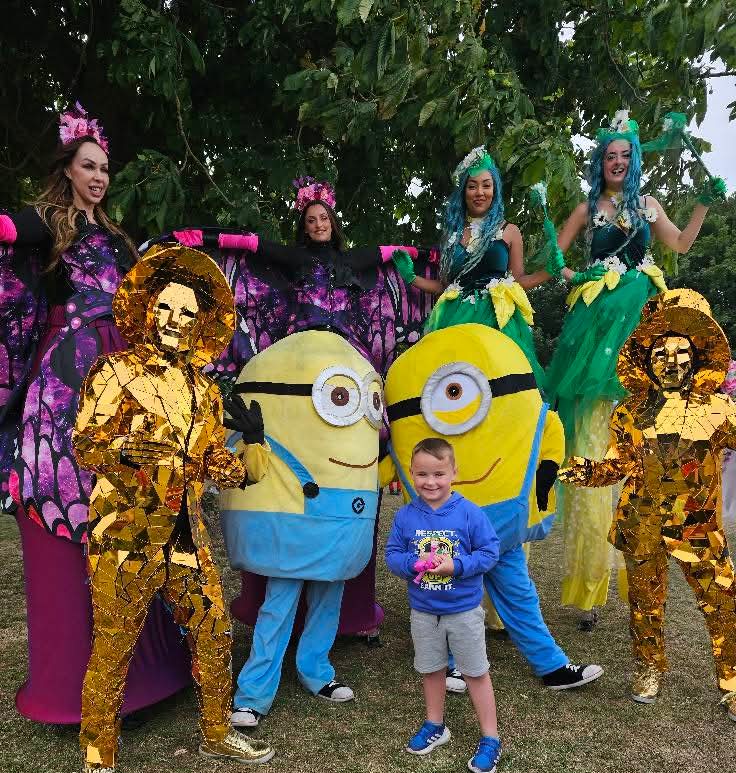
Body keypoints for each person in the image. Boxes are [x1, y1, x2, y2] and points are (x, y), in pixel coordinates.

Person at [173, 178, 434, 643]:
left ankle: (348, 607)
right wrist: (200, 239)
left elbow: (393, 254)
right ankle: (279, 595)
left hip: (349, 364)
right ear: (304, 225)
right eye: (310, 219)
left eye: (323, 218)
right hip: (300, 368)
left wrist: (436, 257)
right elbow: (250, 246)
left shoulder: (354, 260)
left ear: (333, 223)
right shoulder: (294, 259)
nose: (317, 225)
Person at [0, 103, 190, 724]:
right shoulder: (44, 222)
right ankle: (75, 683)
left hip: (123, 378)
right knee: (72, 513)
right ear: (68, 169)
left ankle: (147, 673)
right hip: (67, 385)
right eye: (89, 166)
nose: (100, 177)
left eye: (105, 169)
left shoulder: (115, 237)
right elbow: (7, 234)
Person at [73, 244, 275, 773]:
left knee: (213, 631)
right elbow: (85, 444)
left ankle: (216, 730)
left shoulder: (205, 391)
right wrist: (123, 449)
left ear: (200, 324)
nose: (174, 320)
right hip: (125, 536)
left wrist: (251, 443)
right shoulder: (115, 371)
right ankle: (98, 767)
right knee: (112, 652)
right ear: (146, 308)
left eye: (187, 313)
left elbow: (219, 467)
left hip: (186, 536)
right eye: (165, 307)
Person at [546, 109, 728, 630]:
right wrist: (575, 276)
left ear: (636, 159)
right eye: (610, 155)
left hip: (643, 329)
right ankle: (589, 590)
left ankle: (641, 582)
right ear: (600, 162)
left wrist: (703, 203)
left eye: (626, 155)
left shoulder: (649, 205)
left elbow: (681, 244)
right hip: (596, 334)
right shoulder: (587, 209)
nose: (618, 162)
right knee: (592, 452)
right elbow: (556, 256)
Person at [381, 320, 604, 692]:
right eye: (423, 474)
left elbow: (545, 428)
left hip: (497, 532)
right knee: (449, 600)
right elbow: (386, 469)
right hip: (445, 538)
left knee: (520, 596)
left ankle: (551, 666)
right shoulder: (419, 480)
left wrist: (546, 474)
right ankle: (450, 665)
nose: (430, 480)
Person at [559, 289, 736, 717]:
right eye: (660, 353)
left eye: (680, 352)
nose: (670, 362)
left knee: (722, 600)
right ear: (646, 359)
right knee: (644, 604)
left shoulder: (719, 408)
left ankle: (732, 678)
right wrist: (583, 470)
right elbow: (618, 465)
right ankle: (648, 668)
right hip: (641, 525)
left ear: (697, 356)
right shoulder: (630, 411)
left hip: (698, 529)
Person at [220, 329, 383, 727]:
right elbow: (238, 464)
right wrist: (253, 439)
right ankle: (253, 694)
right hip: (290, 522)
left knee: (328, 598)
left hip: (342, 522)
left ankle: (317, 671)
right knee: (278, 605)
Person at [390, 146, 563, 391]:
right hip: (455, 316)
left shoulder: (510, 231)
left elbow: (519, 281)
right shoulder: (452, 235)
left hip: (496, 316)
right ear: (464, 192)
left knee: (501, 385)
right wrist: (411, 277)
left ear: (495, 190)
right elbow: (445, 286)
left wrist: (548, 272)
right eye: (472, 186)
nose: (479, 192)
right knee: (456, 384)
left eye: (486, 185)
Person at [385, 437, 502, 773]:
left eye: (439, 474)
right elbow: (392, 555)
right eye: (422, 474)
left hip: (463, 611)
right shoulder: (406, 516)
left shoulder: (470, 513)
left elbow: (489, 552)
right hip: (423, 611)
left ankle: (491, 737)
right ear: (411, 474)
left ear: (454, 473)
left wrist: (457, 566)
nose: (430, 482)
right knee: (431, 669)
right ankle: (435, 724)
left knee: (475, 672)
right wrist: (412, 564)